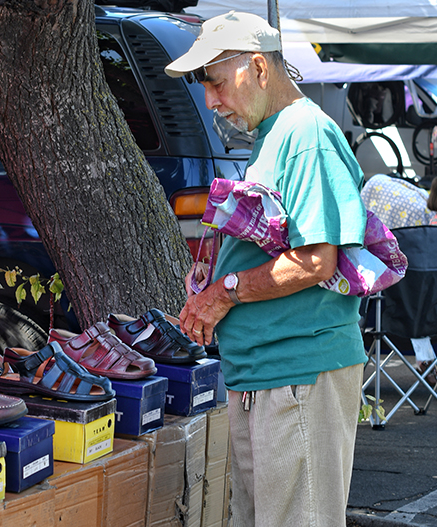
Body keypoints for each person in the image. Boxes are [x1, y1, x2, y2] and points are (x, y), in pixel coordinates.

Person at [167, 12, 368, 527]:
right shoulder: (277, 134)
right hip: (269, 373)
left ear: (257, 67)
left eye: (214, 82)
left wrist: (223, 293)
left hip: (297, 369)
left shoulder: (306, 134)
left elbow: (314, 261)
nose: (210, 99)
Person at [361, 173, 437, 383]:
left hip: (393, 318)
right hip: (425, 315)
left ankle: (426, 359)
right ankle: (426, 359)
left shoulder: (412, 220)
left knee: (409, 290)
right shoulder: (425, 223)